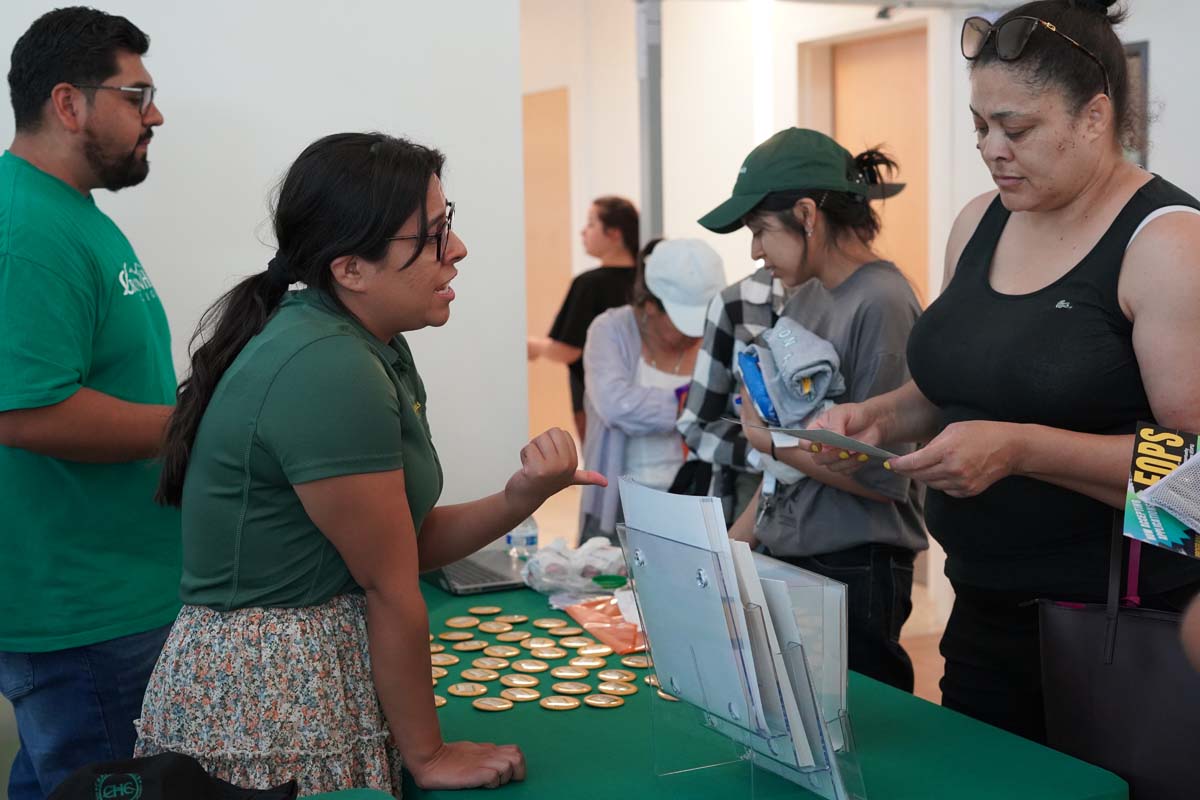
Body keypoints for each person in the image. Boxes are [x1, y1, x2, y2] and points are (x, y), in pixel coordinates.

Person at [133, 132, 606, 794]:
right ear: (350, 268)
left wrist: (522, 494)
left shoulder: (364, 341)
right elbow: (388, 584)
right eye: (434, 236)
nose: (459, 250)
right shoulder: (328, 364)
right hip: (275, 691)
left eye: (450, 225)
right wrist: (431, 755)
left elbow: (403, 544)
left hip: (316, 666)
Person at [813, 0, 1200, 741]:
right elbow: (950, 391)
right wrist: (874, 418)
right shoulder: (980, 221)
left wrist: (1022, 450)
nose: (992, 149)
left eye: (1016, 128)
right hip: (983, 606)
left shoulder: (1167, 245)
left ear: (1094, 117)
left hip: (1112, 630)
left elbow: (1195, 484)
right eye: (980, 126)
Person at [0, 9, 177, 799]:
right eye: (137, 95)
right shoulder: (26, 229)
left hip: (112, 597)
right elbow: (25, 413)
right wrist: (201, 427)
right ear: (69, 104)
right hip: (85, 616)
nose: (156, 116)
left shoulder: (71, 215)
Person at [698, 127, 926, 693]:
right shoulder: (806, 295)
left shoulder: (882, 302)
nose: (754, 252)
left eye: (759, 232)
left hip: (854, 565)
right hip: (796, 552)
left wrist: (770, 441)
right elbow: (780, 464)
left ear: (806, 214)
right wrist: (733, 545)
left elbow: (884, 476)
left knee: (861, 741)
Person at [579, 238, 727, 542]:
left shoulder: (716, 334)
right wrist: (698, 403)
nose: (695, 334)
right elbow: (615, 406)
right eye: (684, 322)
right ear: (649, 306)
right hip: (622, 506)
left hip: (696, 504)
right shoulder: (611, 330)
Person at [528, 196, 639, 442]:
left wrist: (533, 347)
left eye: (590, 224)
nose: (583, 231)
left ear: (614, 233)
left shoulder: (589, 284)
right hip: (641, 396)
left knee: (604, 473)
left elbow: (567, 351)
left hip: (596, 404)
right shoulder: (646, 281)